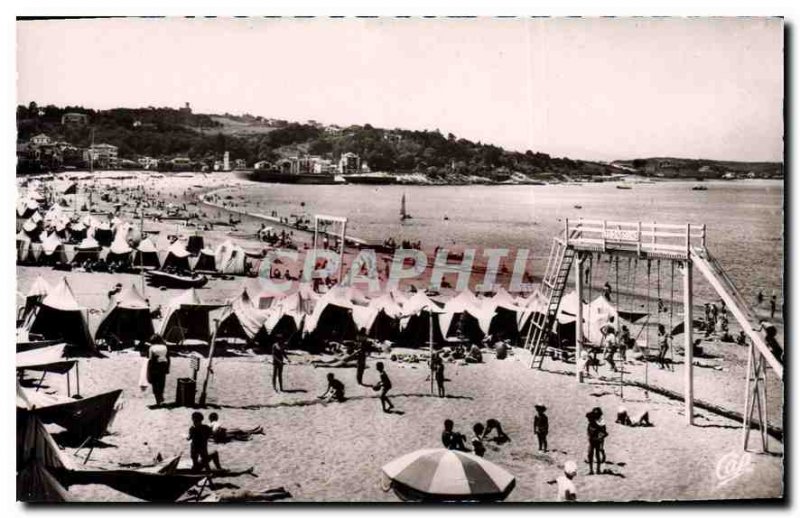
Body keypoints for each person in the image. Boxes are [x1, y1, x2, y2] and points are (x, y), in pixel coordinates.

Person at [146, 335, 170, 407]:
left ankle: (158, 402)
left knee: (155, 384)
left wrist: (149, 371)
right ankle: (161, 398)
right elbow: (168, 358)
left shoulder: (152, 348)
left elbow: (151, 359)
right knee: (161, 383)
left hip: (155, 366)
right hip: (163, 366)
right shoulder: (165, 347)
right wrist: (167, 368)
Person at [586, 408, 607, 475]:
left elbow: (604, 433)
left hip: (595, 441)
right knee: (592, 454)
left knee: (594, 454)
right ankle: (594, 470)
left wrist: (599, 438)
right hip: (592, 440)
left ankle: (595, 470)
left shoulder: (597, 424)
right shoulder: (593, 423)